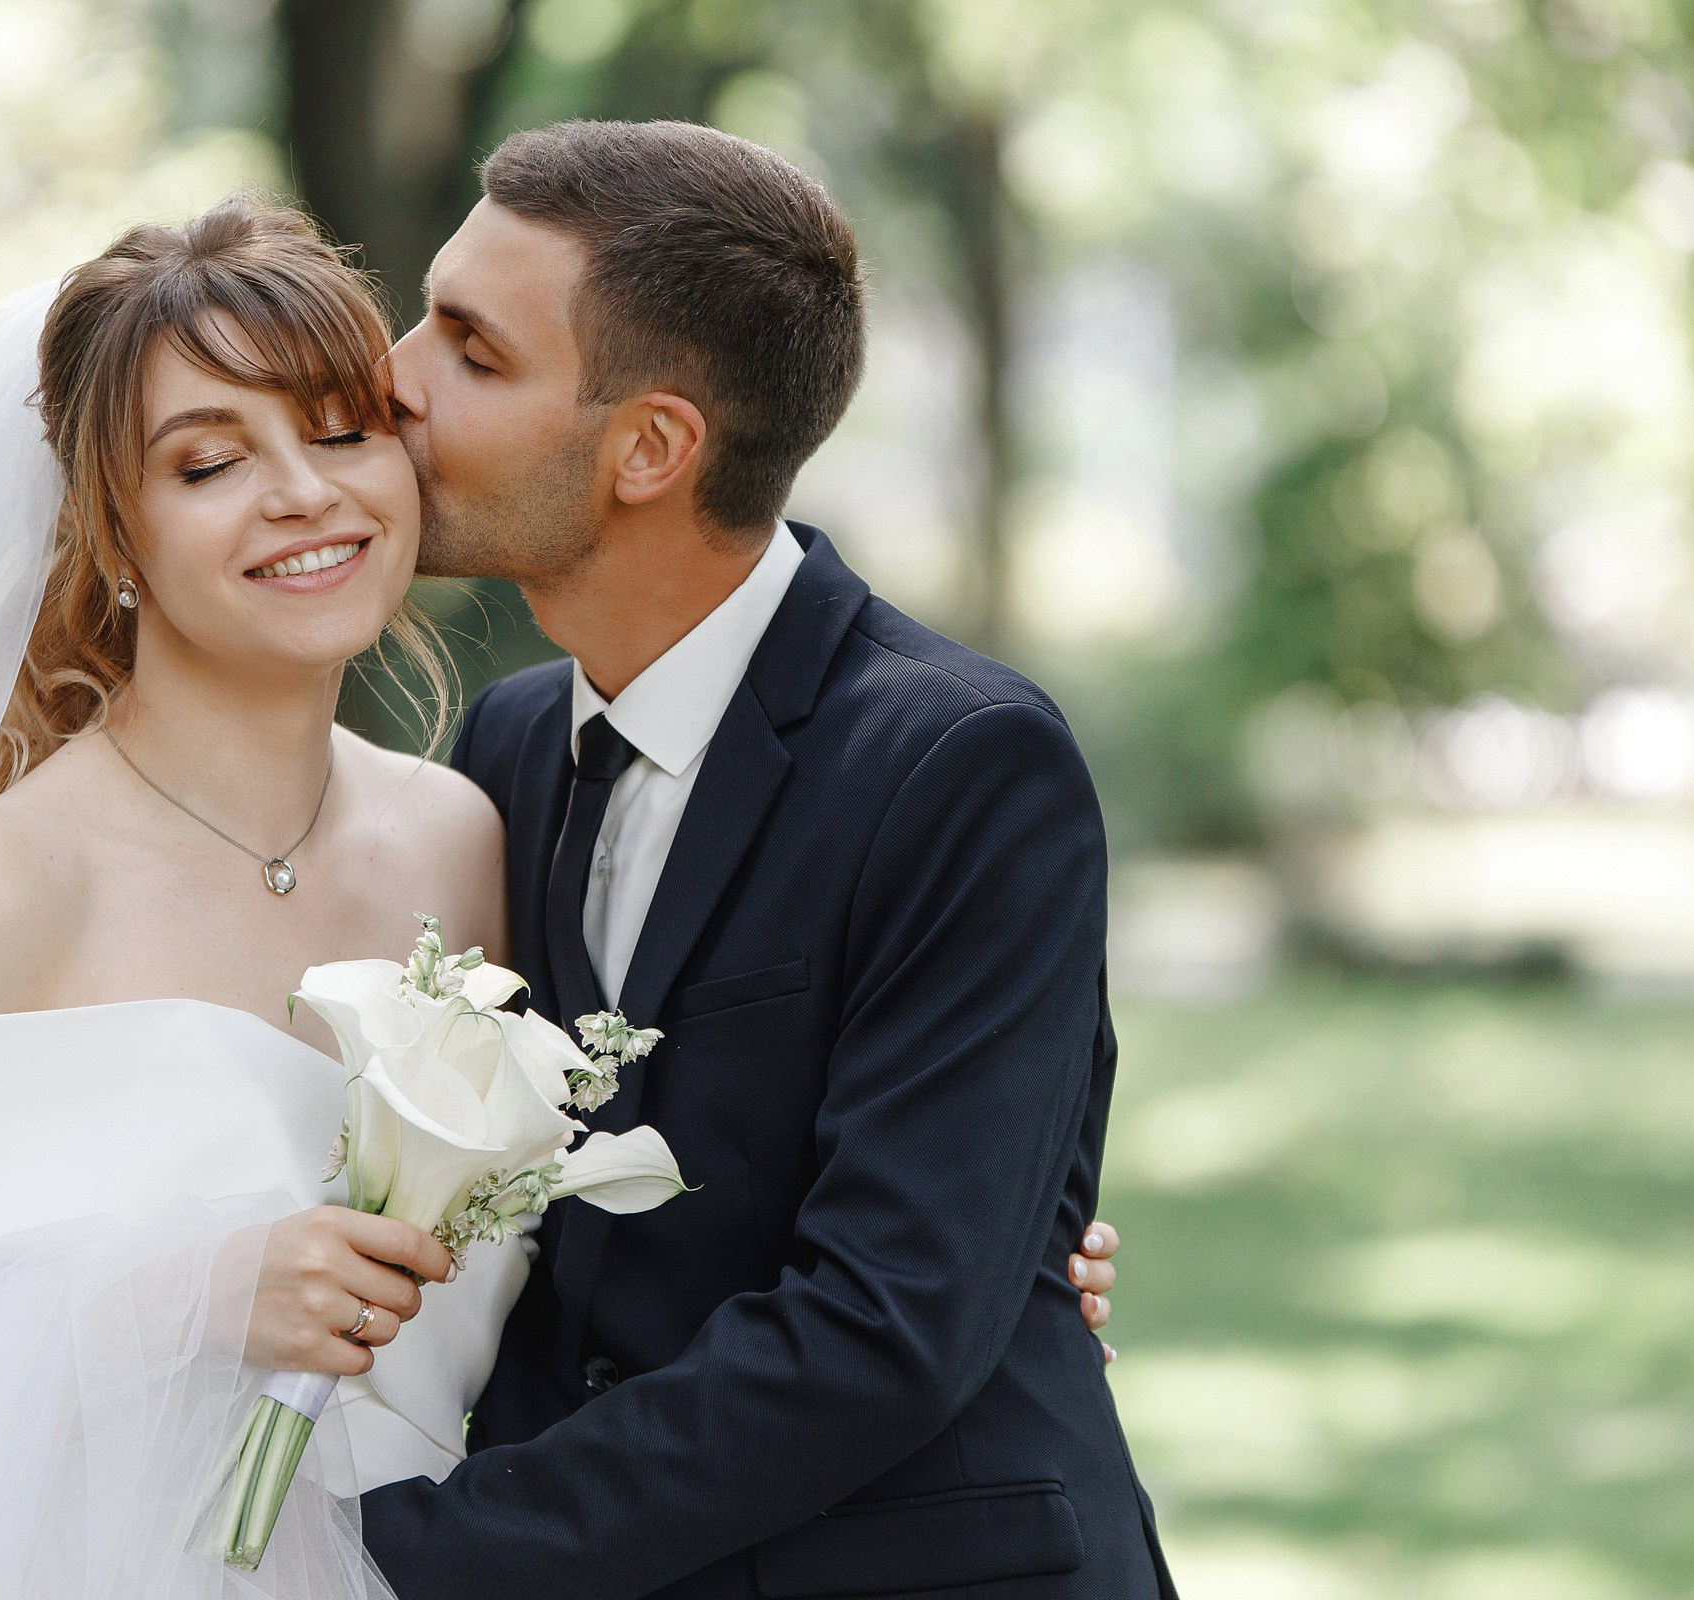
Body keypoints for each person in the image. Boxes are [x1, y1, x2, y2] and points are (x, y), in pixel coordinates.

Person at [0, 184, 1123, 1600]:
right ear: (110, 530)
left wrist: (995, 1250)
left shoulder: (476, 818)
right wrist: (196, 1293)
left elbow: (652, 1187)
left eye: (343, 422)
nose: (319, 483)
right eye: (209, 461)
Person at [358, 120, 1176, 1598]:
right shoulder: (506, 752)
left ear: (652, 449)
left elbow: (881, 1327)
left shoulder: (963, 765)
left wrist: (405, 1560)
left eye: (471, 351)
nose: (391, 376)